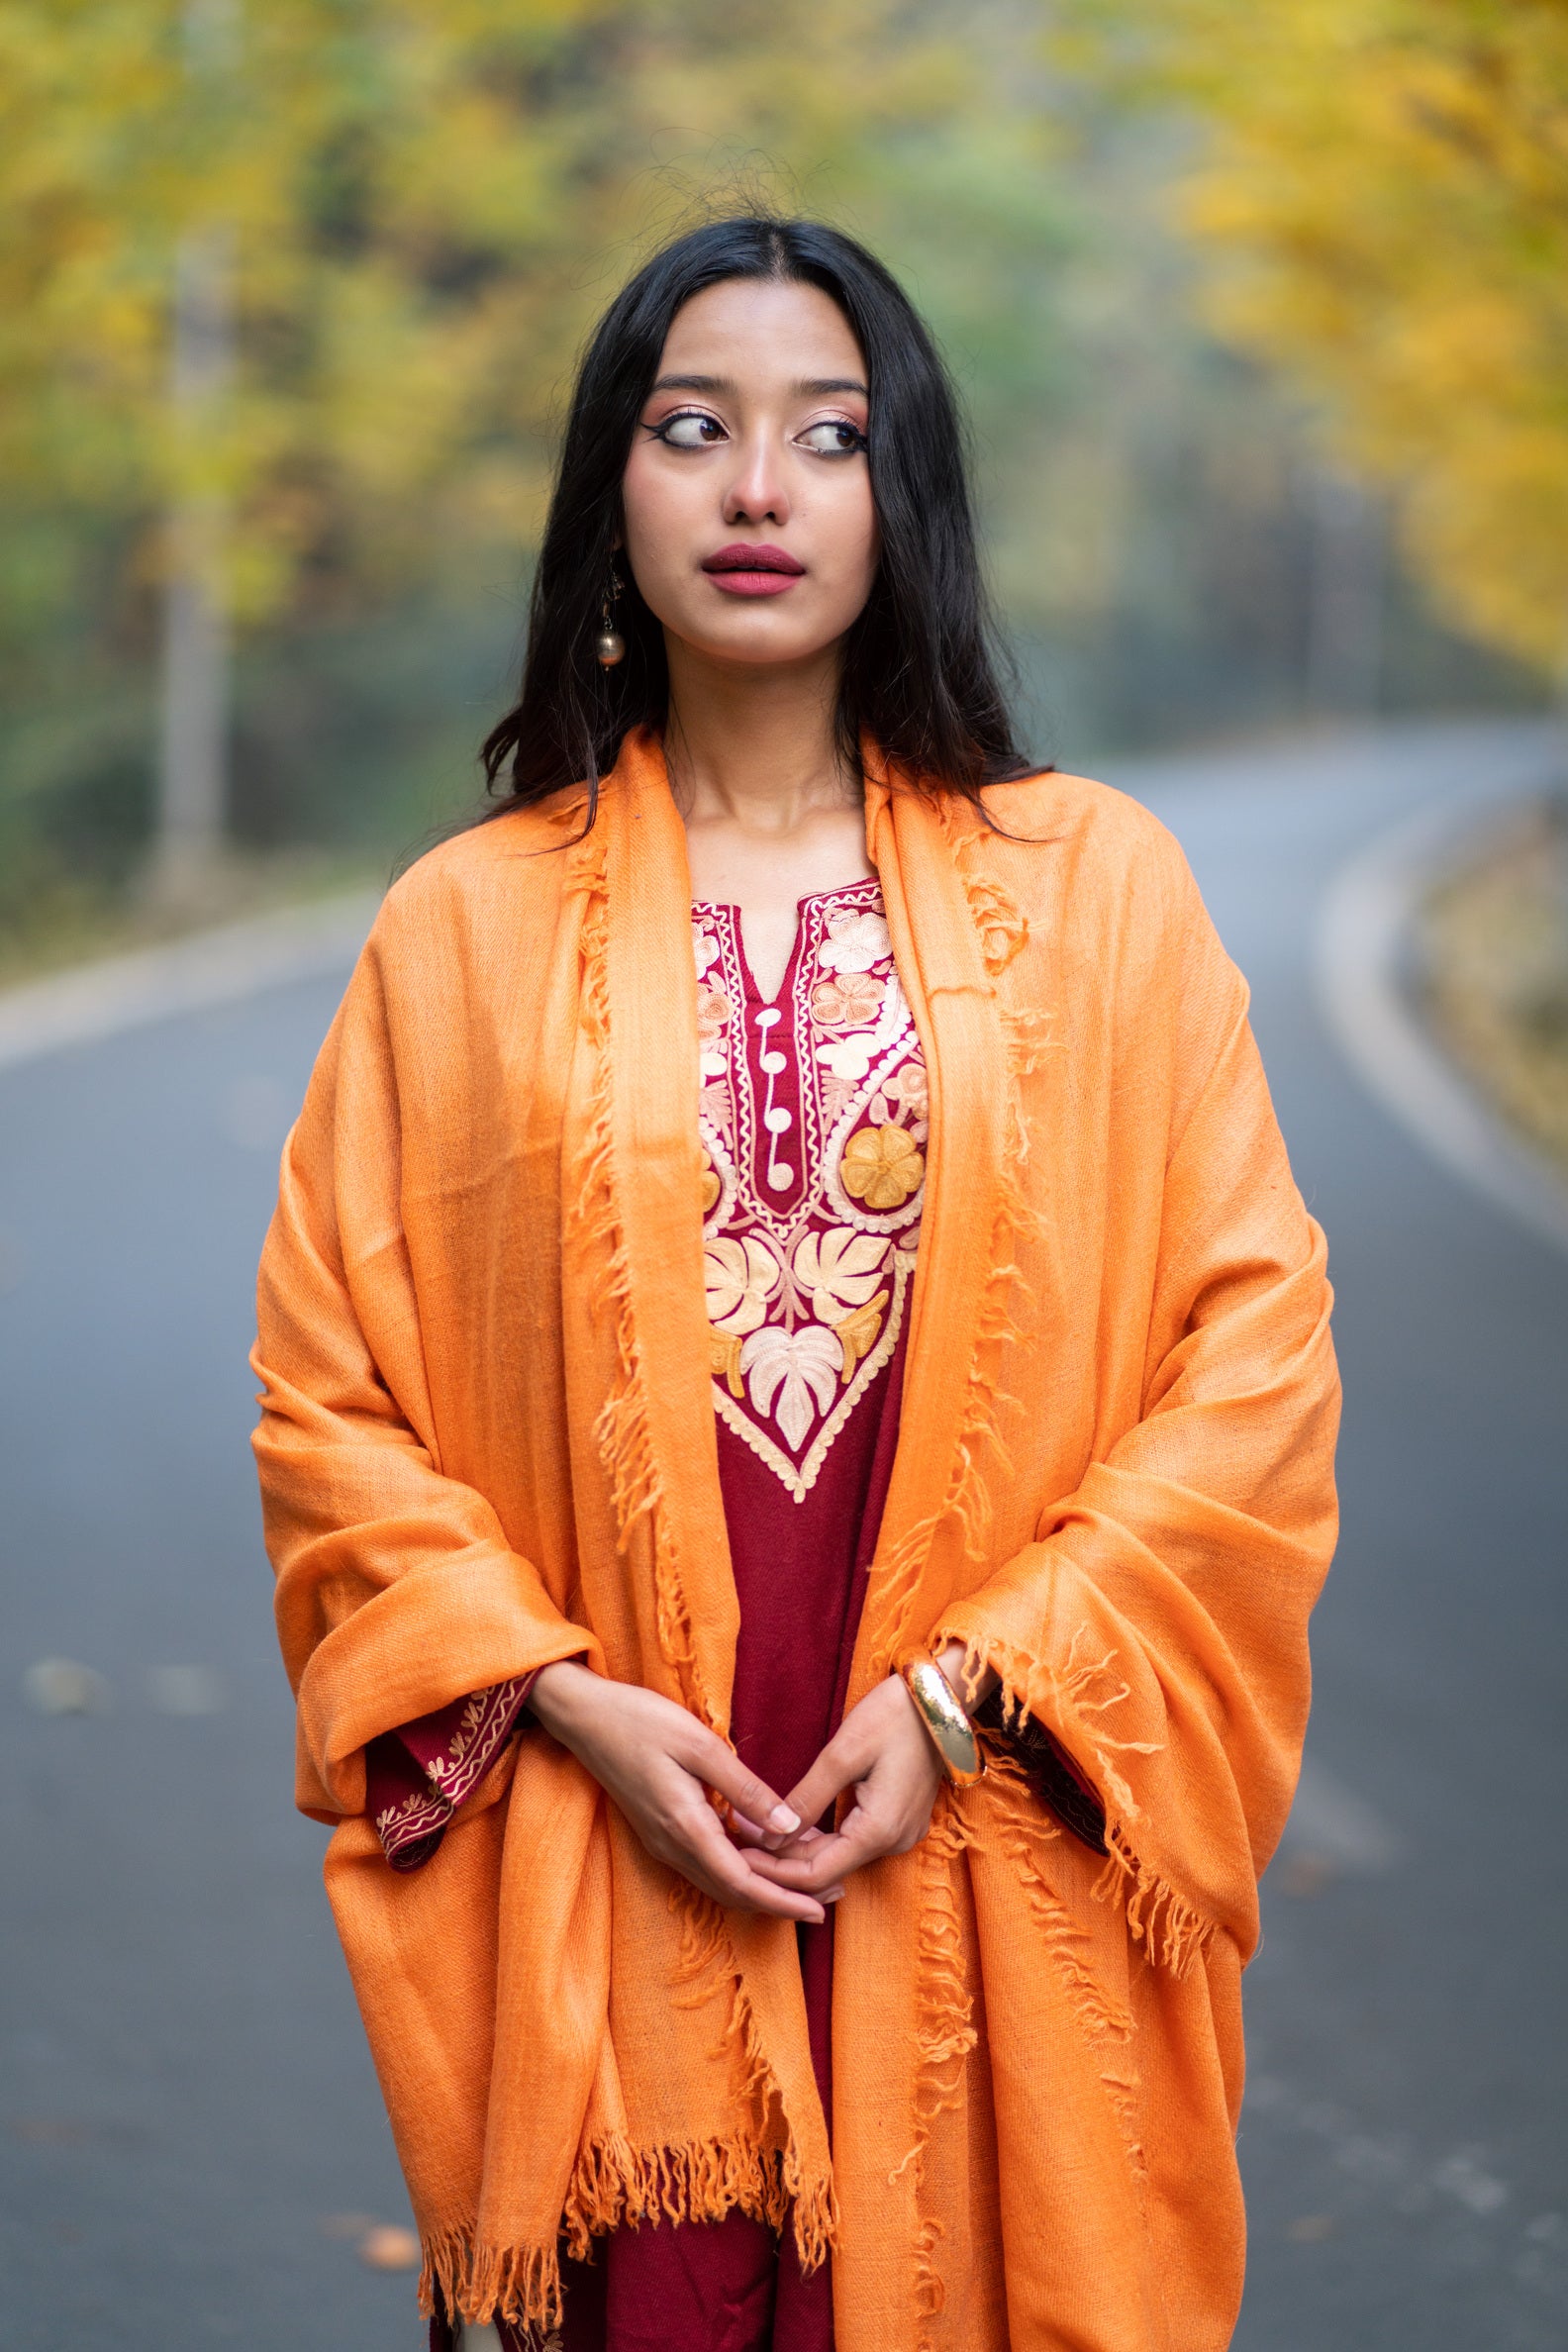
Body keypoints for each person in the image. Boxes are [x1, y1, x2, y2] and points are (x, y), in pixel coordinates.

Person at [252, 215, 1339, 2352]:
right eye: (695, 430)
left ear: (898, 493)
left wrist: (967, 1698)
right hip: (626, 1819)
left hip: (980, 1793)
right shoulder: (460, 931)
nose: (758, 490)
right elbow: (330, 1400)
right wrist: (566, 1705)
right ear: (612, 492)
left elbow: (1255, 1356)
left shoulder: (1098, 893)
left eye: (825, 437)